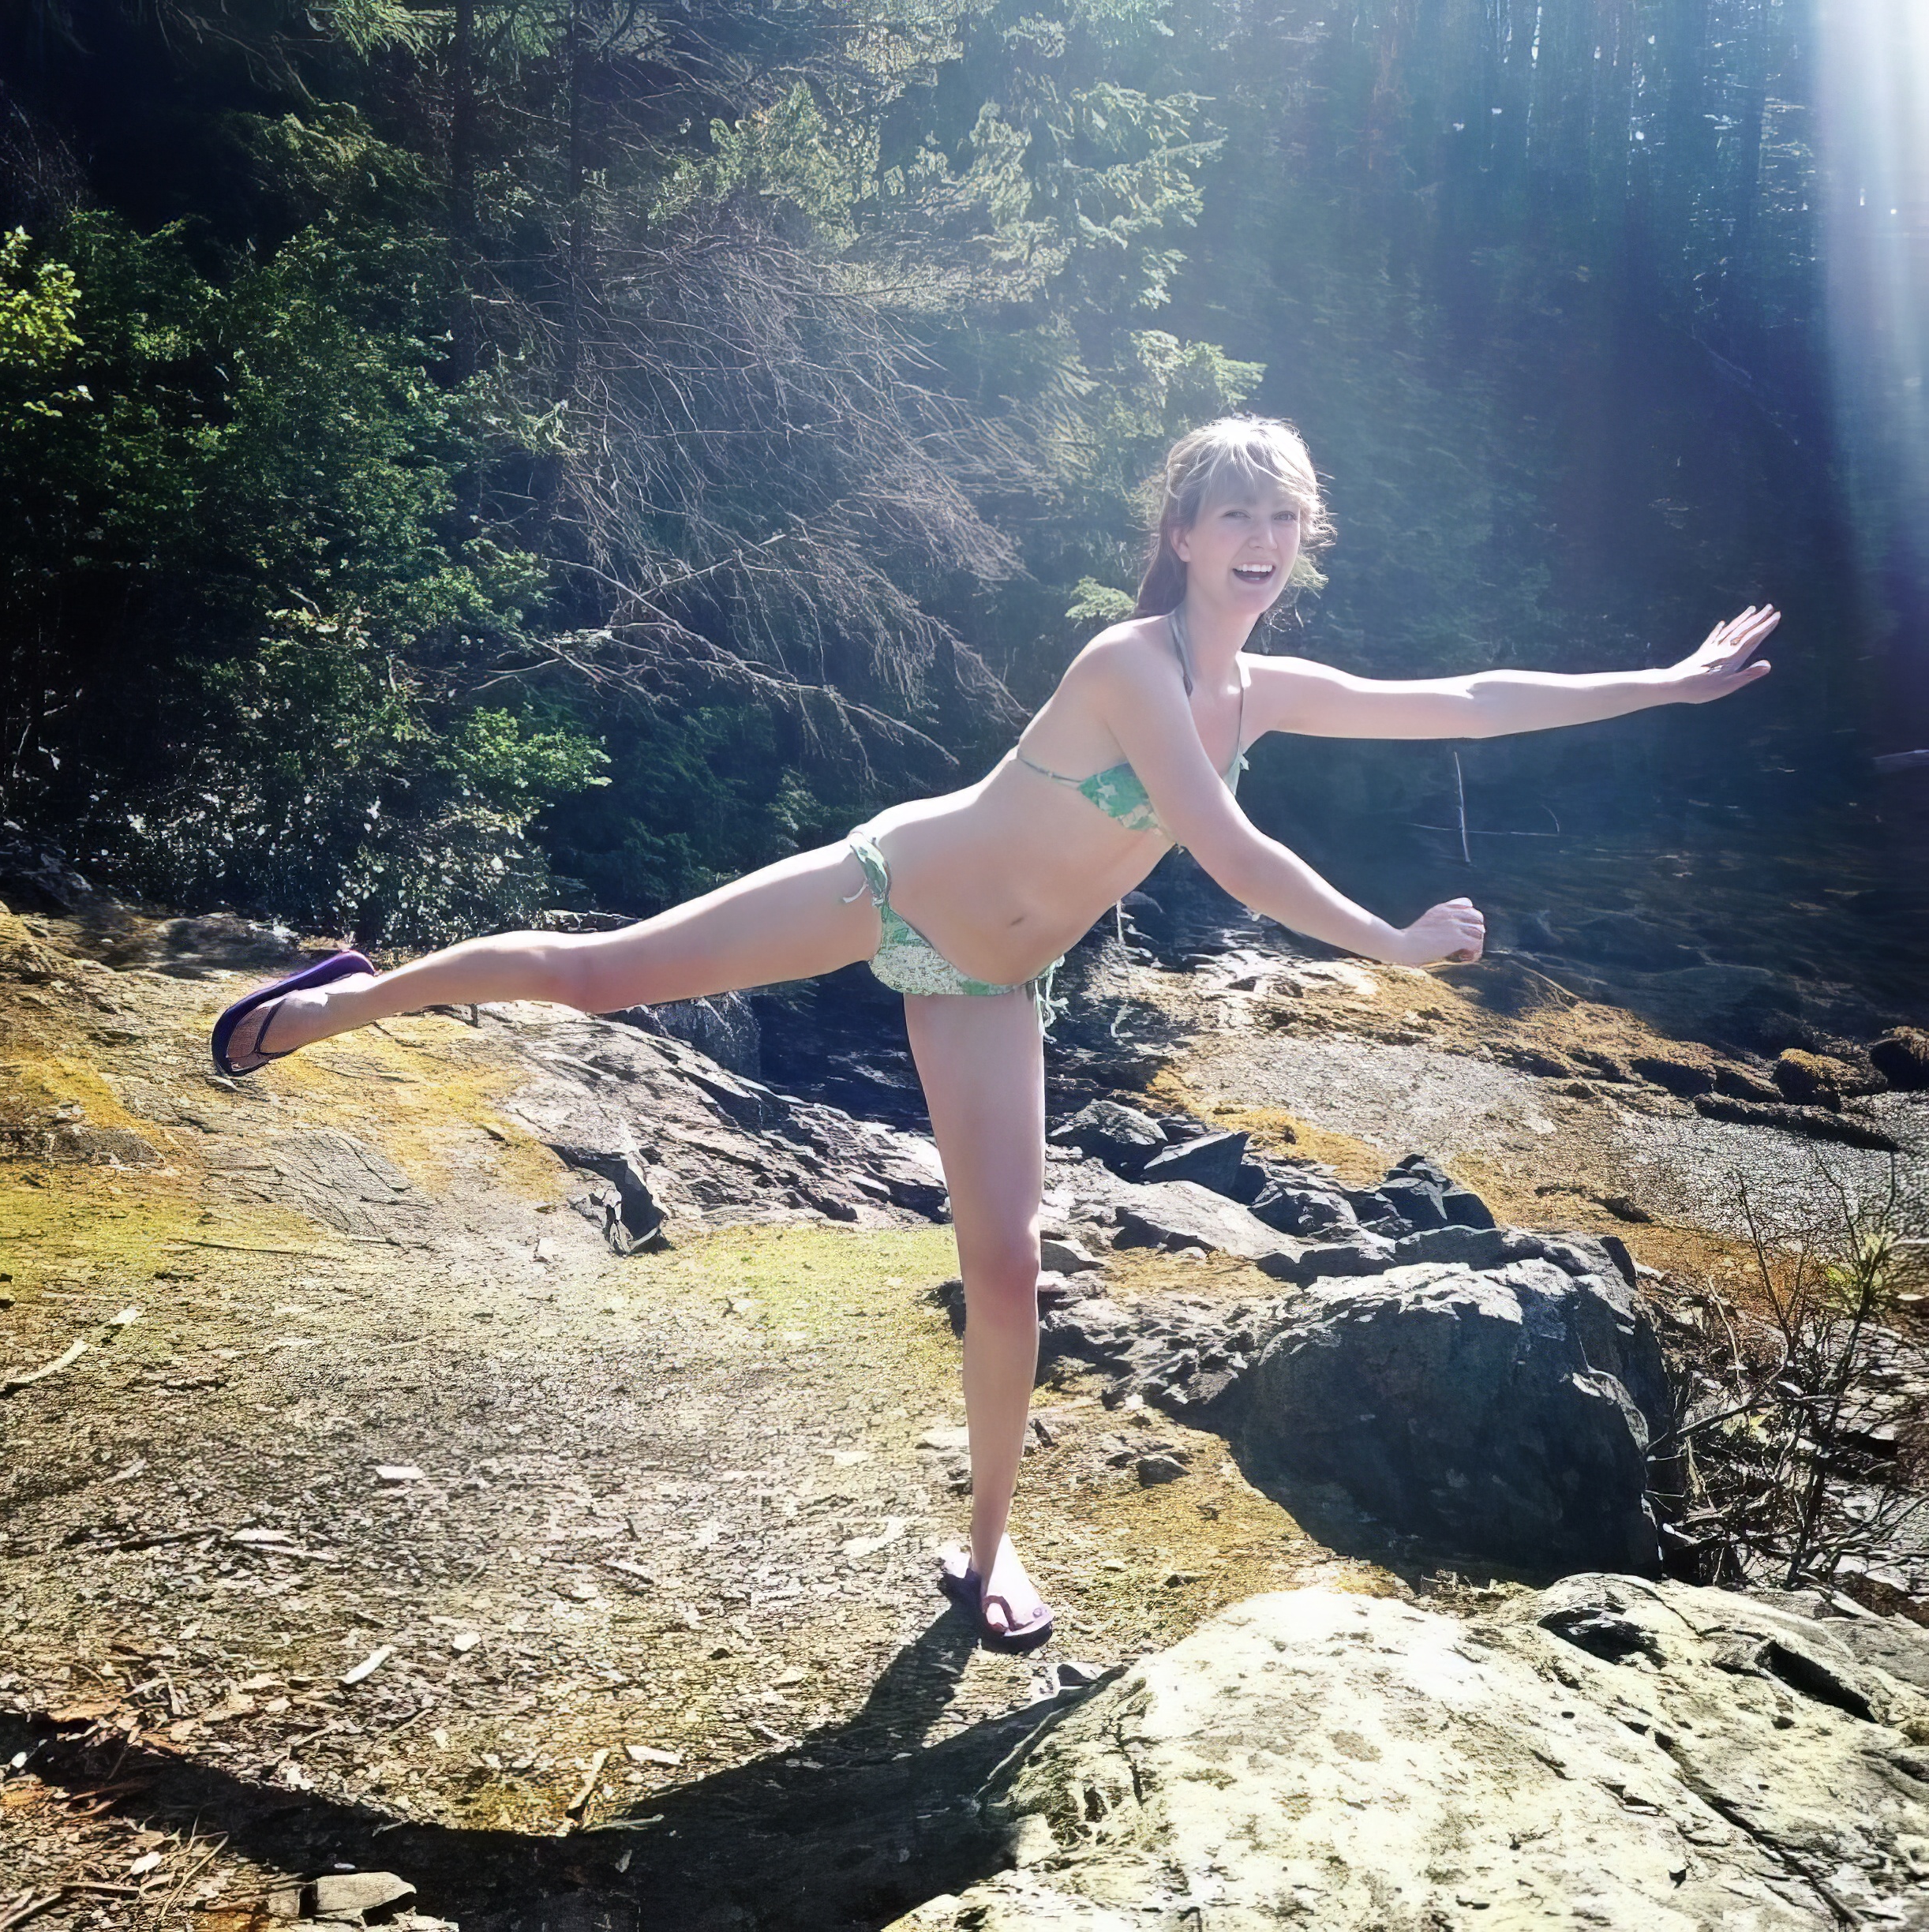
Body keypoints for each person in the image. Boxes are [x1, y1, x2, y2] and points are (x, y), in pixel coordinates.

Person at [212, 416, 1777, 1649]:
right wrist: (1388, 940)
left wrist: (1670, 681)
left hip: (992, 982)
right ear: (1179, 535)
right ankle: (347, 999)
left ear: (1305, 539)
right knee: (605, 971)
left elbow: (1470, 697)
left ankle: (984, 1546)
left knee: (1011, 1260)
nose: (1258, 540)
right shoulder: (1130, 662)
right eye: (1230, 513)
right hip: (893, 882)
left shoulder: (1268, 684)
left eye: (1281, 516)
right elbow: (1227, 854)